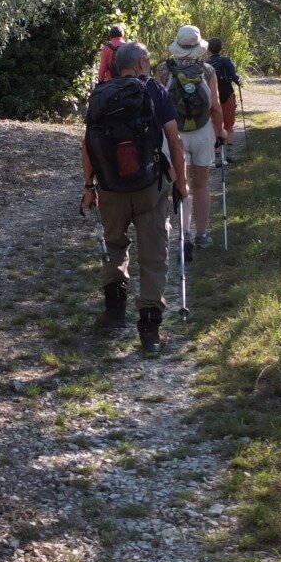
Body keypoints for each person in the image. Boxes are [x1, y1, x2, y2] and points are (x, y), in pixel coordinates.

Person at [82, 41, 188, 356]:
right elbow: (174, 140)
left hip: (110, 188)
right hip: (149, 186)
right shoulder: (156, 92)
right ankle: (150, 331)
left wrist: (89, 187)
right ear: (141, 62)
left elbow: (87, 145)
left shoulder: (99, 96)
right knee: (154, 255)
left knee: (114, 247)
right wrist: (181, 182)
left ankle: (115, 312)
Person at [154, 25, 225, 254]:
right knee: (202, 185)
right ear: (198, 46)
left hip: (176, 134)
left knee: (181, 184)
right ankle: (202, 234)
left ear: (177, 46)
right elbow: (215, 106)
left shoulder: (164, 70)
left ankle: (184, 234)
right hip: (203, 132)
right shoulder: (207, 70)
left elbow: (159, 106)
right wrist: (220, 131)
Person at [206, 36, 244, 163]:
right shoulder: (226, 60)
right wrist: (239, 82)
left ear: (208, 49)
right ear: (220, 48)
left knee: (216, 126)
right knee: (229, 125)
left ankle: (217, 157)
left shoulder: (206, 64)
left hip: (212, 98)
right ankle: (230, 153)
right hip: (227, 95)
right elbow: (234, 77)